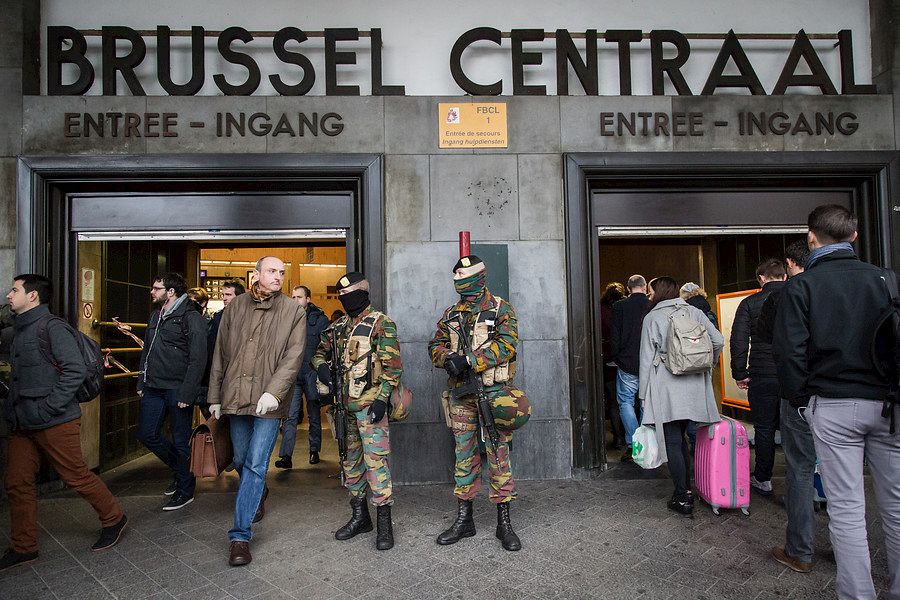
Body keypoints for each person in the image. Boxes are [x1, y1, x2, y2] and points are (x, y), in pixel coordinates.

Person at [773, 204, 899, 597]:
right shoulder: (886, 280)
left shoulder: (802, 286)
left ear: (811, 239)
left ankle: (858, 595)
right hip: (888, 405)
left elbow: (789, 351)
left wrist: (800, 400)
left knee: (846, 508)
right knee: (895, 507)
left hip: (833, 404)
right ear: (854, 236)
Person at [1, 274, 126, 571]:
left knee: (75, 476)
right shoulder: (17, 330)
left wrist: (49, 407)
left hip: (54, 420)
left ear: (33, 296)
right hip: (22, 422)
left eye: (15, 290)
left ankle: (114, 518)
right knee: (17, 482)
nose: (8, 294)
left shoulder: (52, 328)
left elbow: (75, 370)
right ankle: (24, 546)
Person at [208, 257, 306, 567]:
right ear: (256, 275)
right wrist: (215, 395)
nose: (278, 276)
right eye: (273, 271)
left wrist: (273, 392)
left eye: (282, 272)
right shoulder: (235, 307)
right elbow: (221, 353)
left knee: (254, 464)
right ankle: (258, 492)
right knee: (239, 459)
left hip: (268, 403)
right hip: (236, 398)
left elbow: (293, 357)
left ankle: (240, 536)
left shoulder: (293, 310)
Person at [428, 255, 531, 552]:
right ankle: (465, 520)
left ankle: (504, 523)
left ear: (478, 276)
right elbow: (435, 345)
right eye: (456, 275)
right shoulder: (451, 313)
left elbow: (507, 343)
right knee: (464, 457)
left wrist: (470, 360)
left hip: (494, 395)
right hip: (462, 396)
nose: (458, 279)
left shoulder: (500, 308)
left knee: (499, 456)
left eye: (463, 275)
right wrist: (448, 359)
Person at [313, 272, 403, 550]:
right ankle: (360, 516)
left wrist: (382, 400)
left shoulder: (381, 324)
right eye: (341, 295)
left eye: (350, 293)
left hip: (369, 407)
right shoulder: (337, 327)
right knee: (351, 464)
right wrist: (321, 366)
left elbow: (393, 367)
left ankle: (384, 524)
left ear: (364, 293)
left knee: (376, 465)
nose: (345, 299)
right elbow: (318, 352)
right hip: (344, 408)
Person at [756, 242, 818, 574]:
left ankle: (800, 550)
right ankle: (851, 545)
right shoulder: (874, 279)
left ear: (791, 262)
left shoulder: (784, 294)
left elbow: (768, 336)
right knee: (847, 474)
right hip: (858, 394)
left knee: (801, 468)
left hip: (800, 394)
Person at [639, 276, 724, 516]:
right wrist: (706, 365)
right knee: (687, 439)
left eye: (650, 291)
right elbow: (718, 340)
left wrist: (643, 394)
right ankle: (689, 489)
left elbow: (646, 358)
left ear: (659, 292)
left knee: (673, 442)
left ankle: (682, 495)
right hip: (695, 386)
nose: (649, 295)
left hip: (666, 386)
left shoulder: (652, 317)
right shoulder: (695, 312)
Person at [137, 272, 208, 510]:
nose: (151, 292)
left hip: (178, 388)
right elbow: (147, 351)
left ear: (170, 292)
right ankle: (181, 471)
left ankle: (186, 489)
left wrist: (188, 393)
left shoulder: (191, 317)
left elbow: (198, 359)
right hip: (153, 387)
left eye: (156, 288)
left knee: (180, 441)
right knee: (148, 434)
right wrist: (141, 381)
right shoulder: (156, 315)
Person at [730, 258, 788, 497]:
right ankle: (799, 480)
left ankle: (763, 478)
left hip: (762, 374)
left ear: (761, 278)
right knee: (796, 429)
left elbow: (739, 341)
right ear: (784, 276)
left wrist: (740, 373)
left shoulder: (749, 303)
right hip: (792, 374)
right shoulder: (798, 297)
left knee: (763, 428)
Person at [275, 285, 329, 468]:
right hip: (293, 374)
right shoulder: (286, 319)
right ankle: (286, 456)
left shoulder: (320, 320)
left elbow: (326, 348)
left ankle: (314, 450)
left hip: (311, 373)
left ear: (308, 299)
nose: (295, 300)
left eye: (299, 297)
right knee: (290, 416)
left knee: (314, 413)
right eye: (293, 296)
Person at [610, 274, 650, 458]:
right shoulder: (651, 305)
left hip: (626, 362)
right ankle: (645, 442)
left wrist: (616, 357)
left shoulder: (619, 307)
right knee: (645, 404)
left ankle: (633, 443)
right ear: (645, 287)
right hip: (649, 363)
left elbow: (615, 336)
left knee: (625, 402)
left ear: (628, 288)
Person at [600, 282, 627, 450]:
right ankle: (629, 436)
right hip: (625, 360)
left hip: (606, 359)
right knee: (628, 400)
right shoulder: (623, 309)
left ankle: (618, 437)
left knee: (613, 401)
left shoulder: (600, 310)